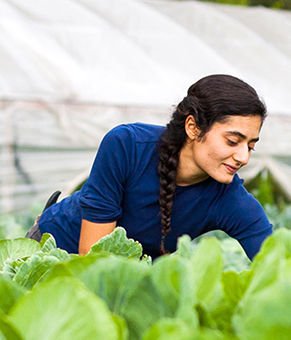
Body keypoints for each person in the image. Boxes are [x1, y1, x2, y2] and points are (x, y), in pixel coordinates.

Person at [26, 74, 272, 260]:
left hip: (121, 274)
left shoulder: (228, 197)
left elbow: (278, 262)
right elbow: (92, 257)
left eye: (250, 146)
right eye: (232, 141)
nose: (243, 157)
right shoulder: (127, 145)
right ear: (193, 127)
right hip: (51, 250)